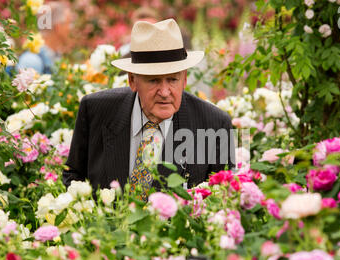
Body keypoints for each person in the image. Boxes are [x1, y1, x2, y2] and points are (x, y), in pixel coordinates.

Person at [63, 19, 235, 200]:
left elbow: (226, 195)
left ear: (184, 79)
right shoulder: (95, 110)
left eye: (173, 80)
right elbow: (73, 175)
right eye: (153, 80)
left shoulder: (215, 124)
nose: (164, 92)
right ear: (132, 80)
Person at [16, 1, 74, 74]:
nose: (72, 28)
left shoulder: (56, 56)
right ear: (58, 27)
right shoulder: (32, 61)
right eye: (69, 24)